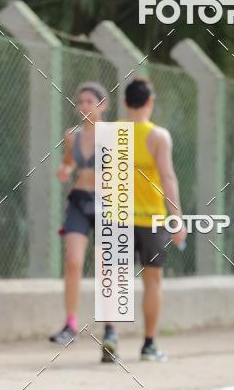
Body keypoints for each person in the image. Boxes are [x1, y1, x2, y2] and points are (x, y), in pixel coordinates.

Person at [50, 82, 118, 362]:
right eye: (81, 102)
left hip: (107, 204)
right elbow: (68, 162)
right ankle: (70, 325)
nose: (84, 107)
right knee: (73, 261)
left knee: (106, 266)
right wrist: (64, 170)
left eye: (90, 101)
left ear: (103, 105)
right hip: (79, 200)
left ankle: (110, 329)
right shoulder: (72, 135)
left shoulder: (114, 134)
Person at [122, 77, 186, 361]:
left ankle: (110, 336)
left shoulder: (112, 133)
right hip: (151, 219)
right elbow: (168, 177)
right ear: (150, 101)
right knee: (153, 282)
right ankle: (148, 345)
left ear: (125, 102)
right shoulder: (158, 136)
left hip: (117, 216)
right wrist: (177, 218)